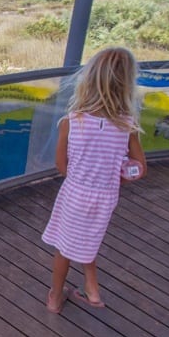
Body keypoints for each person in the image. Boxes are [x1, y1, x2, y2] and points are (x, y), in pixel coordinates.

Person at [42, 47, 147, 314]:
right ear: (127, 85)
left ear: (88, 80)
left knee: (64, 248)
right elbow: (139, 168)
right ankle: (92, 288)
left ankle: (56, 296)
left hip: (75, 193)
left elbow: (61, 165)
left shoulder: (72, 121)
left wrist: (82, 175)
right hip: (105, 196)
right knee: (87, 238)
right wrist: (116, 176)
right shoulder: (127, 125)